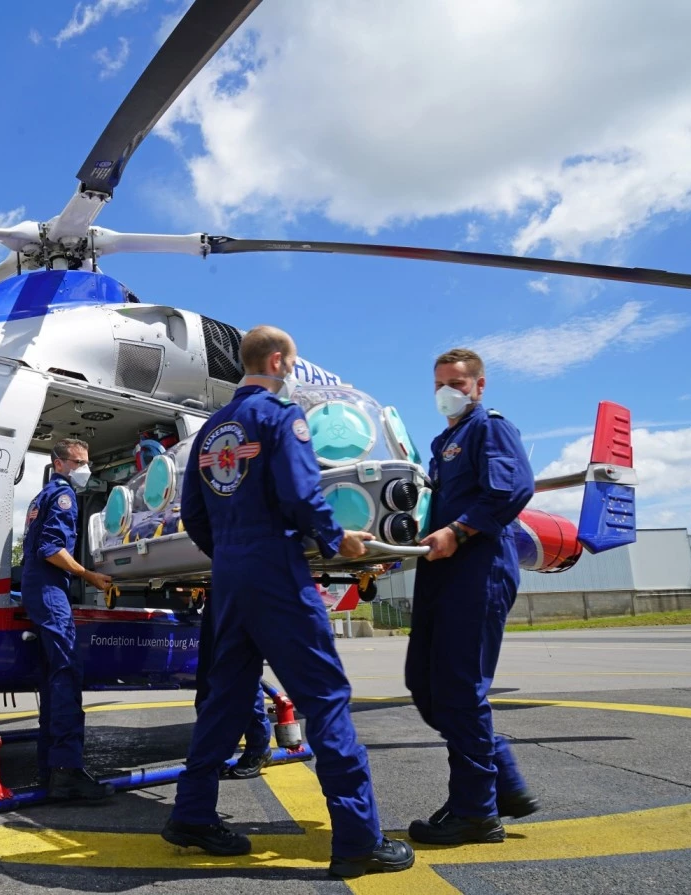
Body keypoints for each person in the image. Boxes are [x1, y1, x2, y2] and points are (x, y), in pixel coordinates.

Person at [160, 325, 414, 880]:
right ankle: (356, 839)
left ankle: (193, 814)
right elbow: (303, 495)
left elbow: (195, 517)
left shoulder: (208, 434)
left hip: (228, 575)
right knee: (325, 697)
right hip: (276, 574)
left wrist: (230, 554)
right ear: (277, 361)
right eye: (291, 364)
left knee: (224, 700)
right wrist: (336, 540)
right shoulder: (280, 417)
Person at [405, 347, 537, 845]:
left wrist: (458, 533)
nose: (447, 392)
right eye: (439, 383)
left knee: (460, 691)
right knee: (424, 684)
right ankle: (502, 776)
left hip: (477, 570)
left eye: (457, 383)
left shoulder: (490, 428)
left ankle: (476, 812)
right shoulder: (443, 442)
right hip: (440, 573)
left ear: (479, 386)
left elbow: (512, 489)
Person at [21, 437, 116, 800]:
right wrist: (90, 576)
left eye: (85, 462)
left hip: (38, 589)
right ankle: (67, 772)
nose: (84, 469)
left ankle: (51, 768)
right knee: (66, 673)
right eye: (77, 462)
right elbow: (51, 549)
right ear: (58, 463)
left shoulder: (40, 496)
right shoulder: (63, 497)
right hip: (49, 589)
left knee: (52, 677)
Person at [193, 586, 273, 779]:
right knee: (208, 676)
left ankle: (258, 747)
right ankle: (212, 751)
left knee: (242, 676)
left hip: (247, 593)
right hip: (218, 594)